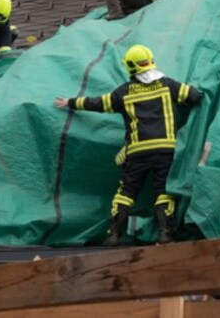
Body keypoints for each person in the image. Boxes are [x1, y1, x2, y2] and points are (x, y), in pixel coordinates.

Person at [53, 44, 202, 245]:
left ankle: (113, 234)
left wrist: (71, 102)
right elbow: (195, 96)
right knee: (163, 191)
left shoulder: (123, 93)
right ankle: (165, 233)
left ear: (130, 67)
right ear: (151, 61)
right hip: (165, 149)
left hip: (137, 151)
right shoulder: (167, 85)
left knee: (126, 192)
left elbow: (98, 103)